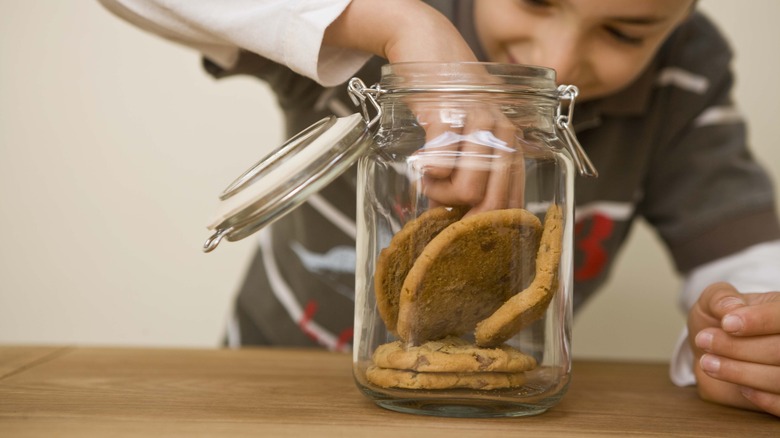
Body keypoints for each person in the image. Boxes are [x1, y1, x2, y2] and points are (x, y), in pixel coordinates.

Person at [97, 0, 780, 416]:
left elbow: (747, 259)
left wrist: (745, 339)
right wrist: (393, 21)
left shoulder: (684, 77)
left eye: (626, 33)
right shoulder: (374, 26)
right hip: (271, 387)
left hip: (495, 404)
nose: (558, 58)